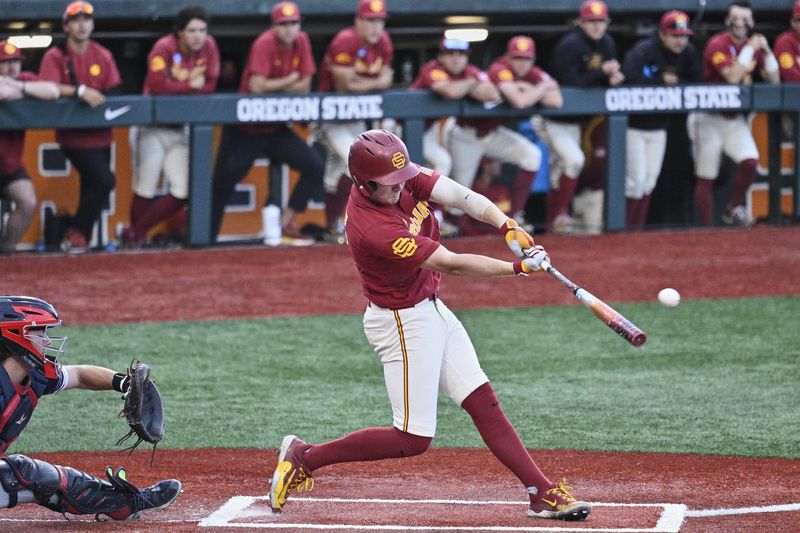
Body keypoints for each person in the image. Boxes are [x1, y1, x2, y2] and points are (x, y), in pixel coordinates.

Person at [267, 130, 592, 522]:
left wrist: (506, 224)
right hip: (403, 323)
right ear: (362, 182)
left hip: (431, 309)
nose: (400, 188)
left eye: (402, 179)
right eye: (389, 185)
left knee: (482, 401)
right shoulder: (375, 228)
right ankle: (305, 456)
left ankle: (540, 492)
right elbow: (451, 262)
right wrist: (517, 268)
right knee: (412, 438)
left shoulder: (397, 174)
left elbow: (460, 196)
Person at [0, 296, 181, 520]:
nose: (47, 341)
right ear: (16, 335)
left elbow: (79, 375)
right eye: (40, 332)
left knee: (52, 480)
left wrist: (124, 383)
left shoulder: (35, 376)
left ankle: (126, 504)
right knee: (23, 472)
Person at [210, 1, 323, 245]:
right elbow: (256, 87)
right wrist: (289, 81)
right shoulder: (265, 42)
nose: (289, 29)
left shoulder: (302, 41)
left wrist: (280, 84)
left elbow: (304, 86)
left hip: (275, 129)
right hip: (245, 129)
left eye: (293, 23)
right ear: (274, 26)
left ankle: (285, 223)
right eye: (283, 24)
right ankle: (204, 239)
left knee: (314, 166)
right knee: (221, 186)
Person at [122, 5, 219, 248]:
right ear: (180, 32)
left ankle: (135, 233)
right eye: (192, 30)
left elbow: (210, 85)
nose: (198, 35)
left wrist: (184, 87)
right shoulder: (164, 47)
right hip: (152, 126)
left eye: (202, 30)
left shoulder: (209, 47)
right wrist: (190, 86)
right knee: (146, 184)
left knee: (184, 188)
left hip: (180, 128)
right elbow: (157, 86)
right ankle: (137, 239)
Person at [38, 1, 122, 253]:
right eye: (76, 20)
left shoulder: (102, 54)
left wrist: (95, 94)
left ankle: (78, 240)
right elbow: (47, 88)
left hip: (101, 135)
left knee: (92, 186)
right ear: (66, 25)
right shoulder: (55, 56)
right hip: (72, 137)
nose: (82, 24)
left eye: (86, 19)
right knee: (104, 181)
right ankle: (75, 232)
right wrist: (80, 91)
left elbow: (114, 89)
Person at [689, 0, 779, 227]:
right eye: (734, 18)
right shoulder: (717, 43)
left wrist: (767, 53)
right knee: (706, 175)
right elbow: (732, 77)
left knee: (750, 162)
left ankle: (731, 208)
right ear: (727, 20)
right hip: (708, 116)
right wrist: (750, 49)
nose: (739, 23)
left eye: (744, 18)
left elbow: (775, 82)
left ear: (752, 21)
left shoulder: (753, 47)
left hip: (734, 118)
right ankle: (706, 231)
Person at [539, 0, 623, 234]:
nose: (597, 27)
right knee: (573, 161)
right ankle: (561, 215)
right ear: (581, 22)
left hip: (576, 122)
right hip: (553, 119)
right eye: (591, 22)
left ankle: (554, 224)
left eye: (601, 22)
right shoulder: (571, 44)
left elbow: (599, 79)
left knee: (563, 169)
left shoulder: (606, 43)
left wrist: (611, 79)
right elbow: (570, 83)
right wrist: (601, 73)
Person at [316, 0, 394, 242]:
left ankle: (332, 226)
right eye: (370, 20)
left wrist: (365, 83)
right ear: (358, 21)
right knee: (353, 161)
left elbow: (387, 78)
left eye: (380, 21)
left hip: (357, 116)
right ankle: (344, 224)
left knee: (340, 169)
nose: (376, 26)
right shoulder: (346, 40)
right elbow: (344, 85)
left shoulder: (384, 42)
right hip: (330, 115)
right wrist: (376, 82)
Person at [409, 36, 497, 236]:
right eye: (450, 54)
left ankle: (435, 218)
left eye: (461, 54)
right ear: (441, 56)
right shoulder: (432, 69)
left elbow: (491, 93)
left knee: (441, 163)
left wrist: (465, 85)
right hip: (400, 127)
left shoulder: (467, 73)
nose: (456, 59)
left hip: (426, 130)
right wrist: (472, 83)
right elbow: (449, 91)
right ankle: (428, 218)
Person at [621, 11, 700, 230]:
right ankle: (624, 230)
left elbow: (695, 80)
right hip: (634, 126)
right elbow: (629, 78)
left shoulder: (688, 52)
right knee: (635, 182)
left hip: (660, 127)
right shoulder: (644, 50)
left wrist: (677, 82)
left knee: (649, 182)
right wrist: (658, 81)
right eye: (675, 35)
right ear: (663, 34)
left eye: (684, 36)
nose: (680, 40)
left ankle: (635, 231)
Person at [488, 35, 563, 228]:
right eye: (517, 58)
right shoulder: (499, 68)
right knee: (455, 178)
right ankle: (448, 227)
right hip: (466, 132)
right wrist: (540, 88)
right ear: (507, 57)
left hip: (493, 132)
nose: (522, 64)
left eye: (526, 59)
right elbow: (519, 102)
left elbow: (556, 100)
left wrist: (529, 87)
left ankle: (515, 217)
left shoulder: (532, 74)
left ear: (533, 60)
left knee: (532, 156)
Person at [0, 41, 60, 254]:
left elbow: (52, 91)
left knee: (27, 202)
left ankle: (7, 250)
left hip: (10, 165)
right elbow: (2, 94)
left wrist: (22, 87)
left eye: (15, 61)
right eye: (5, 62)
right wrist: (25, 92)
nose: (12, 67)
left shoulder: (23, 81)